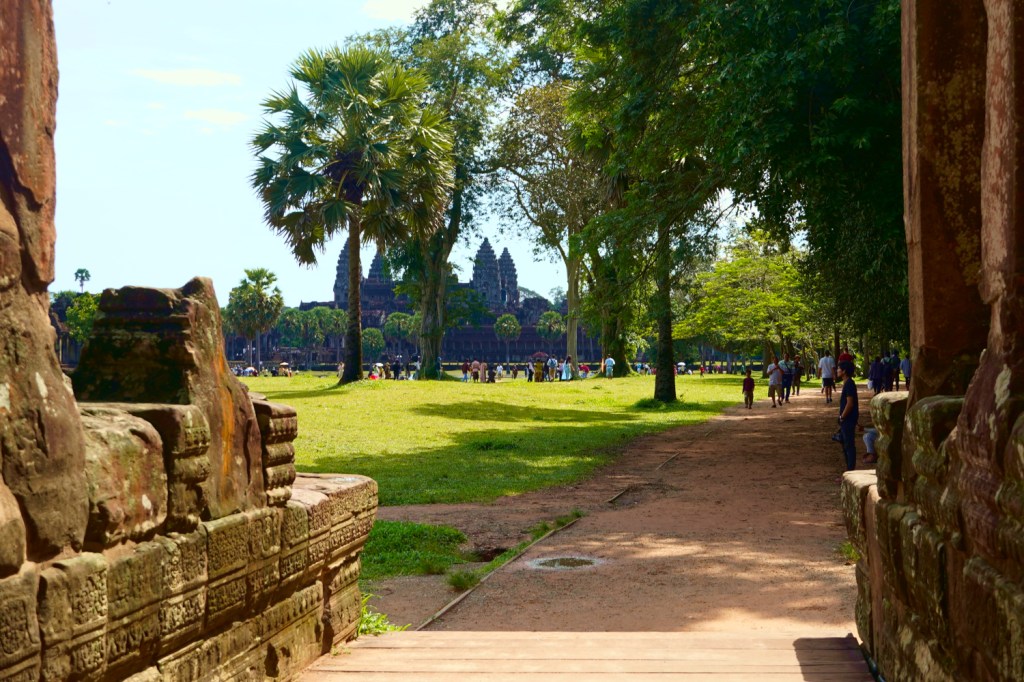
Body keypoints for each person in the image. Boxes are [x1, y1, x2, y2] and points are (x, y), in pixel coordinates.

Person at [837, 360, 859, 472]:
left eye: (839, 368)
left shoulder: (849, 384)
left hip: (848, 419)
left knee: (849, 446)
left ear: (844, 371)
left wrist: (842, 417)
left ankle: (850, 471)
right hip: (847, 419)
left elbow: (850, 403)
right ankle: (849, 469)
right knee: (846, 445)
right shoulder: (847, 383)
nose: (837, 370)